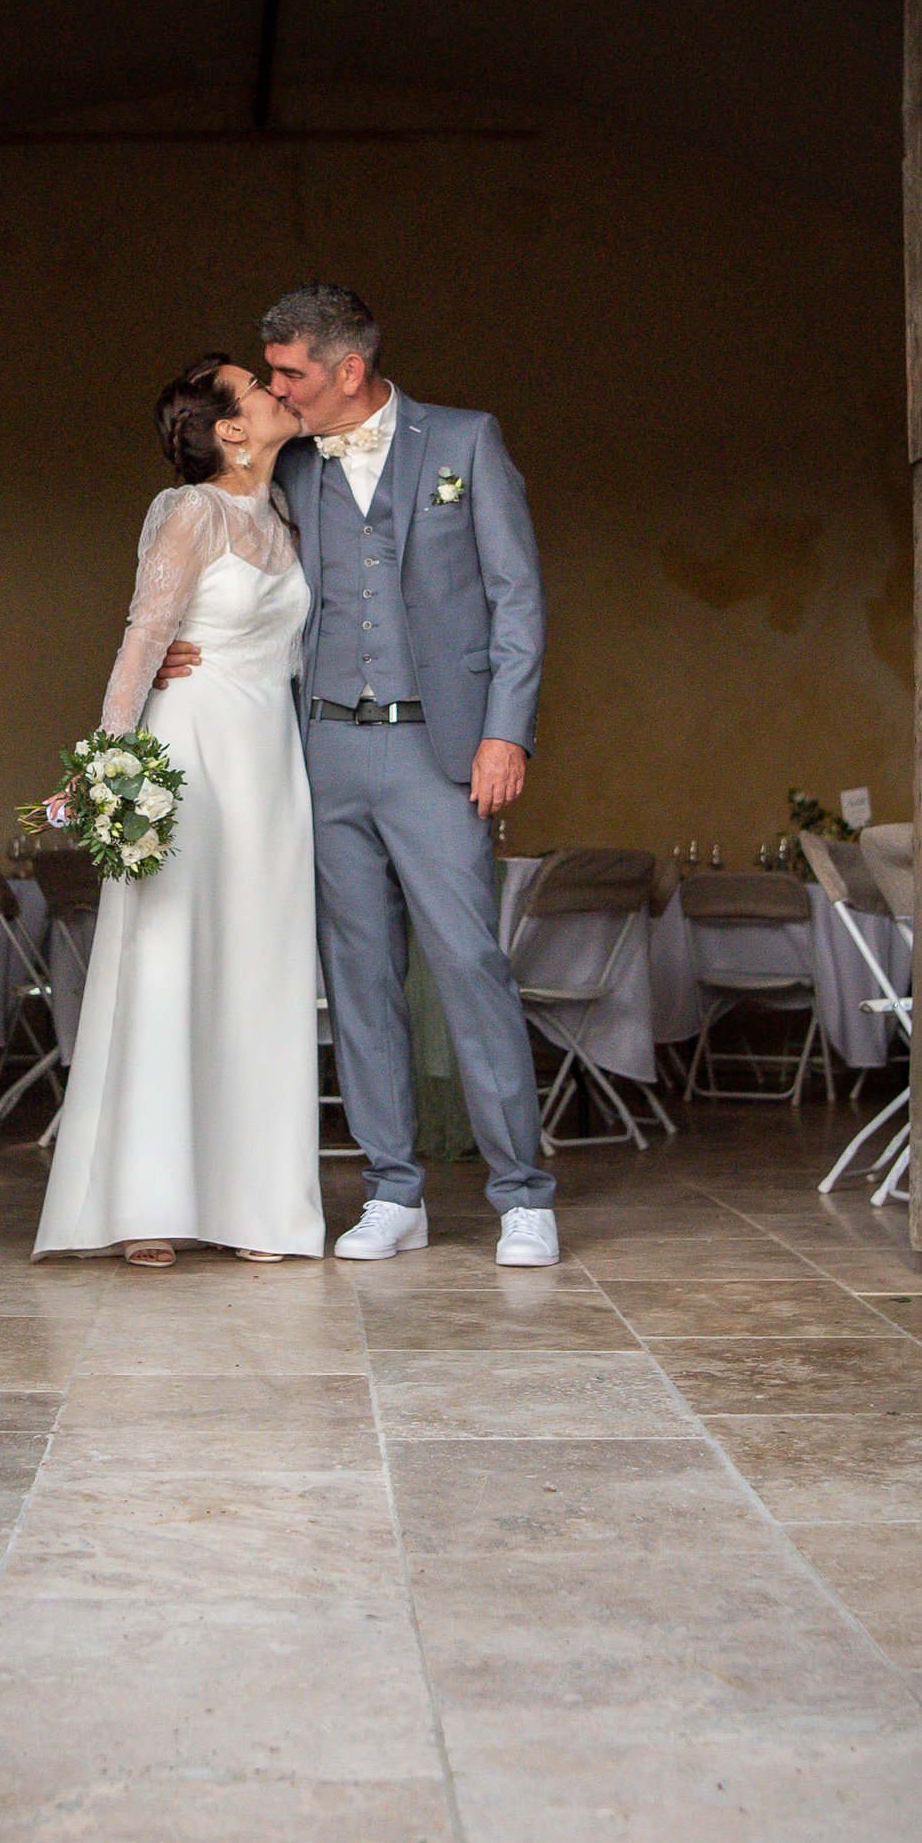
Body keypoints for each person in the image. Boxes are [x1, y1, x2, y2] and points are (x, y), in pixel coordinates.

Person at [158, 283, 558, 1268]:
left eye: (288, 371)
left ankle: (522, 1196)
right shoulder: (287, 458)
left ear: (346, 370)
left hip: (438, 751)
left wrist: (507, 731)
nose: (277, 389)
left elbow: (516, 597)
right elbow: (204, 525)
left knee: (468, 965)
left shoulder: (466, 441)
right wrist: (184, 642)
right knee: (357, 976)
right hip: (321, 750)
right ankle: (392, 1192)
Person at [33, 357, 325, 1267]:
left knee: (262, 968)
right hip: (193, 752)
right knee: (170, 961)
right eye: (259, 387)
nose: (282, 392)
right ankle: (144, 1200)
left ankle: (259, 1206)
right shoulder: (189, 511)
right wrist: (112, 763)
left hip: (271, 765)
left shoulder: (283, 514)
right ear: (229, 429)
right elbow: (145, 635)